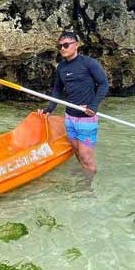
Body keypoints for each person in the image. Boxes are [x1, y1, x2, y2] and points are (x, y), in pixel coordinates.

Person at [38, 31, 109, 175]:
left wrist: (94, 106)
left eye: (66, 45)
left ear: (76, 45)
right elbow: (57, 91)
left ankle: (89, 192)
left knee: (86, 158)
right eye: (60, 46)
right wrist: (49, 109)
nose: (62, 48)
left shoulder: (89, 63)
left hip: (86, 118)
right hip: (69, 117)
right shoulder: (61, 68)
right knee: (76, 152)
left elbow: (104, 84)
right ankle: (82, 185)